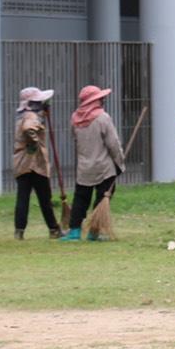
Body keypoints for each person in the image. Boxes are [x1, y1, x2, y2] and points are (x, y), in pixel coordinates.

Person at [65, 84, 123, 242]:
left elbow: (75, 139)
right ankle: (94, 232)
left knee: (80, 198)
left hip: (84, 167)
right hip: (104, 167)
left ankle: (74, 232)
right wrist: (120, 161)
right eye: (100, 98)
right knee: (103, 197)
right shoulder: (103, 118)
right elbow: (113, 143)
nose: (102, 101)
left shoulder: (75, 118)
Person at [11, 86, 62, 240]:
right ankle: (54, 229)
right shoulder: (31, 116)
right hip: (34, 164)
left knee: (23, 197)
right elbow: (29, 129)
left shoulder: (22, 116)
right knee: (45, 198)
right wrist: (34, 143)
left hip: (21, 163)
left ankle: (19, 231)